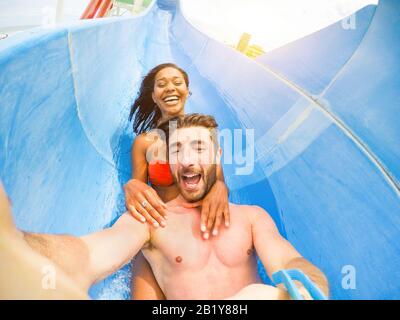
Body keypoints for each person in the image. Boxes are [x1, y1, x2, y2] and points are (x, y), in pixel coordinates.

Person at [0, 114, 329, 300]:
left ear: (217, 157)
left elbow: (289, 260)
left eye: (198, 147)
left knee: (261, 296)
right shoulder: (151, 221)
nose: (187, 159)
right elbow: (88, 253)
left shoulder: (252, 218)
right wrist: (17, 246)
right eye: (177, 151)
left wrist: (305, 286)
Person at [125, 63, 230, 299]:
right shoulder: (145, 143)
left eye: (177, 82)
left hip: (197, 226)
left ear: (188, 90)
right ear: (153, 96)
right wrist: (132, 187)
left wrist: (220, 188)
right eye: (161, 85)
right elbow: (138, 191)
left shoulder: (205, 133)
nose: (170, 88)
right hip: (162, 228)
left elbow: (219, 183)